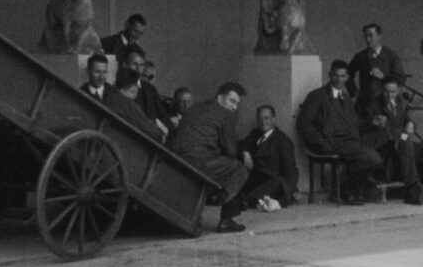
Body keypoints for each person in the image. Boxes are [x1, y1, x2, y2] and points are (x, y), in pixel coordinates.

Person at [296, 59, 384, 205]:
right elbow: (303, 123)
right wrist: (320, 140)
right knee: (372, 157)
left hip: (347, 142)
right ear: (329, 75)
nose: (338, 79)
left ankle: (349, 189)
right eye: (335, 75)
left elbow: (354, 123)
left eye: (342, 76)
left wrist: (371, 123)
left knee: (375, 157)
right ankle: (350, 190)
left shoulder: (345, 97)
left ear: (347, 78)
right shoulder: (317, 95)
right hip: (329, 142)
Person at [362, 77, 423, 204]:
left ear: (398, 91)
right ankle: (412, 187)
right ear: (381, 90)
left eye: (393, 92)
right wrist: (373, 122)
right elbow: (363, 128)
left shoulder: (398, 103)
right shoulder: (373, 106)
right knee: (405, 142)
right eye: (386, 92)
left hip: (401, 143)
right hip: (386, 147)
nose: (390, 95)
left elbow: (406, 119)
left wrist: (411, 124)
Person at [171, 82, 250, 233]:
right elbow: (231, 151)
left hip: (178, 161)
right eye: (232, 101)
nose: (234, 107)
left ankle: (215, 198)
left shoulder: (194, 108)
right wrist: (243, 154)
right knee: (239, 169)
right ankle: (225, 214)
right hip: (200, 164)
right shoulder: (225, 115)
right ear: (220, 97)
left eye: (237, 103)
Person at [240, 105, 299, 208]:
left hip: (272, 182)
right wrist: (246, 153)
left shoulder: (282, 140)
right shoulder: (256, 134)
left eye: (266, 118)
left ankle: (249, 200)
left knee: (276, 182)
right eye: (260, 119)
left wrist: (287, 195)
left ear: (273, 119)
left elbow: (291, 171)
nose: (263, 122)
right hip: (255, 178)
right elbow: (241, 144)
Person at [347, 23, 407, 116]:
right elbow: (347, 74)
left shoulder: (391, 56)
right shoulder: (361, 56)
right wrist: (354, 92)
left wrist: (384, 76)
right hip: (365, 105)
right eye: (365, 36)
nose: (367, 39)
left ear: (379, 36)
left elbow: (401, 79)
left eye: (371, 35)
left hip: (386, 103)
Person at [102, 69, 164, 143]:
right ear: (132, 89)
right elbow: (154, 132)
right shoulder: (129, 105)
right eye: (137, 86)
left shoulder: (108, 98)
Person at [123, 51, 173, 142]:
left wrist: (164, 127)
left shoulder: (151, 89)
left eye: (141, 65)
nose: (138, 69)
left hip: (151, 139)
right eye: (134, 64)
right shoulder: (120, 87)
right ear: (125, 65)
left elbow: (163, 114)